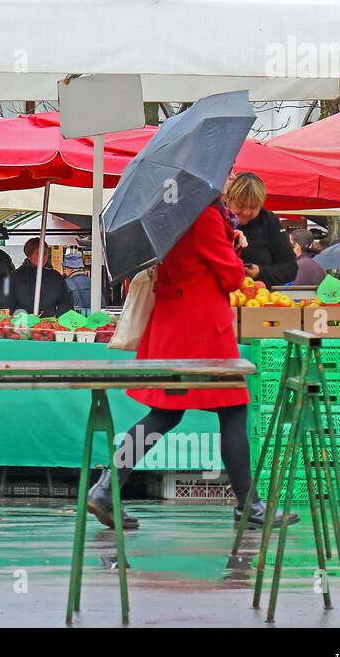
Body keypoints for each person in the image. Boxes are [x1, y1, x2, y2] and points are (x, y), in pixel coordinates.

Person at [85, 200, 299, 530]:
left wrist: (230, 240)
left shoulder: (172, 212)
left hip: (175, 328)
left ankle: (105, 487)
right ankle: (249, 506)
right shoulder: (205, 216)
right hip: (203, 333)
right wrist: (234, 247)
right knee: (233, 410)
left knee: (164, 414)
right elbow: (230, 277)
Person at [224, 172, 297, 289]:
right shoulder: (217, 218)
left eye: (253, 207)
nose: (247, 212)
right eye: (240, 205)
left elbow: (290, 268)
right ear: (227, 199)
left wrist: (260, 272)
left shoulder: (269, 221)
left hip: (260, 299)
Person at [6, 237, 74, 317]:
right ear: (29, 255)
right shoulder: (15, 277)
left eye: (44, 253)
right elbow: (7, 304)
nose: (42, 257)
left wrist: (58, 318)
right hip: (22, 325)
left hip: (49, 325)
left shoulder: (56, 277)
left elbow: (66, 301)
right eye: (38, 253)